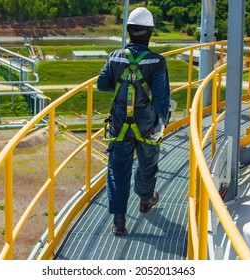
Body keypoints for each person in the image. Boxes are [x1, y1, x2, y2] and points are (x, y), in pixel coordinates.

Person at [97, 7, 170, 235]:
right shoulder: (157, 62)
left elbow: (102, 84)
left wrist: (119, 83)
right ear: (150, 32)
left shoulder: (115, 56)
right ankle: (146, 199)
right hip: (148, 127)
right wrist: (161, 124)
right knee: (147, 166)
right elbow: (161, 98)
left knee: (118, 170)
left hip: (119, 126)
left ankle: (119, 221)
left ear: (128, 31)